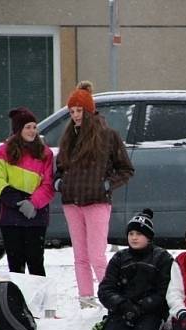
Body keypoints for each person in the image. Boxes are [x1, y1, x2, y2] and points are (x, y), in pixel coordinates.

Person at [56, 81, 134, 308]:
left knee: (97, 256)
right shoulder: (68, 137)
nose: (75, 116)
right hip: (71, 201)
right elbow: (60, 167)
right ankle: (85, 298)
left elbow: (126, 169)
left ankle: (109, 295)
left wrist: (107, 185)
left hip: (98, 201)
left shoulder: (108, 136)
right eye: (71, 111)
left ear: (89, 110)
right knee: (79, 256)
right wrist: (59, 182)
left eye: (79, 110)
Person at [0, 107, 55, 276]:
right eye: (28, 127)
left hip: (36, 216)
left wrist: (33, 203)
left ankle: (38, 302)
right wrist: (19, 203)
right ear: (18, 130)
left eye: (34, 127)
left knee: (36, 263)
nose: (32, 131)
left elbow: (48, 184)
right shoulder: (2, 152)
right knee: (15, 265)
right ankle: (17, 301)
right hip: (10, 216)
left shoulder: (45, 153)